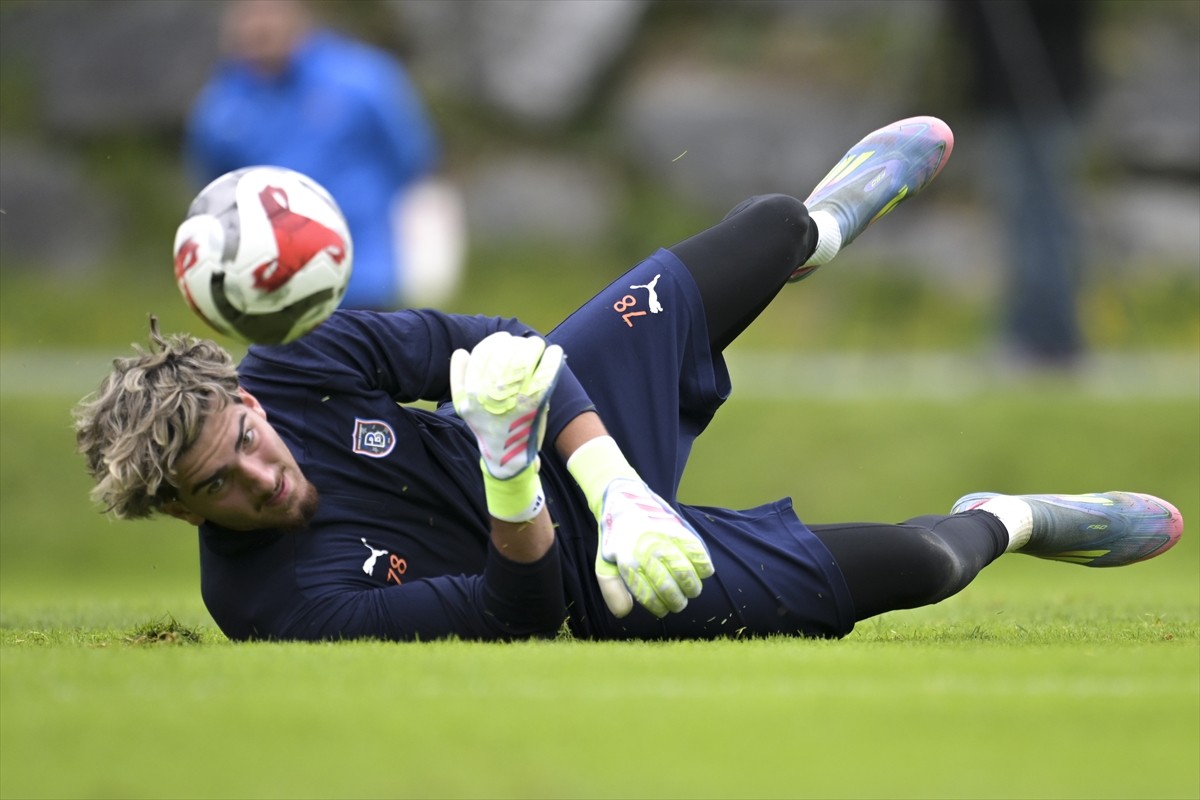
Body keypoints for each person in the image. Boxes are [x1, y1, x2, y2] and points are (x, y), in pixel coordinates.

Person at [74, 117, 1183, 642]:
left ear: (252, 400)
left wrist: (606, 479)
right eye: (220, 485)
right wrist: (520, 487)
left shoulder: (301, 361)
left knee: (761, 228)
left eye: (247, 442)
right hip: (595, 583)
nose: (258, 476)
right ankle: (1014, 515)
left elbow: (503, 341)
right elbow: (518, 610)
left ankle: (828, 226)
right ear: (177, 508)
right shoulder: (263, 603)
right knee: (924, 563)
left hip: (571, 434)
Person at [185, 0, 463, 310]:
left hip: (361, 278)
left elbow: (413, 158)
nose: (260, 25)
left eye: (270, 11)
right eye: (249, 13)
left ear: (300, 13)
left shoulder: (362, 79)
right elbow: (216, 193)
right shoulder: (221, 105)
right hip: (268, 289)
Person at [950, 0, 1091, 366]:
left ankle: (1048, 338)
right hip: (1002, 92)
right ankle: (1030, 332)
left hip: (1045, 89)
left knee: (1041, 217)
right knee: (1021, 218)